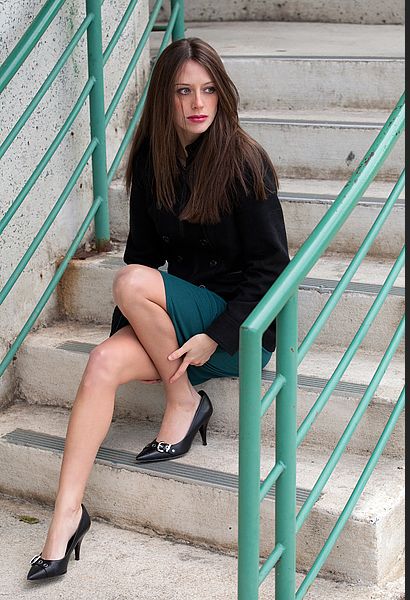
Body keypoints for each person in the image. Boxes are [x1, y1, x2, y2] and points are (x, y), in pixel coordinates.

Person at [26, 36, 289, 581]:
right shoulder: (151, 164)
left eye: (209, 90)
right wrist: (133, 339)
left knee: (132, 282)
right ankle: (65, 517)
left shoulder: (245, 162)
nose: (198, 103)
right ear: (164, 100)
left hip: (236, 332)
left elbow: (270, 270)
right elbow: (143, 257)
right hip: (178, 331)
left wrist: (215, 334)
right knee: (101, 362)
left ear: (222, 97)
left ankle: (182, 403)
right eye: (184, 91)